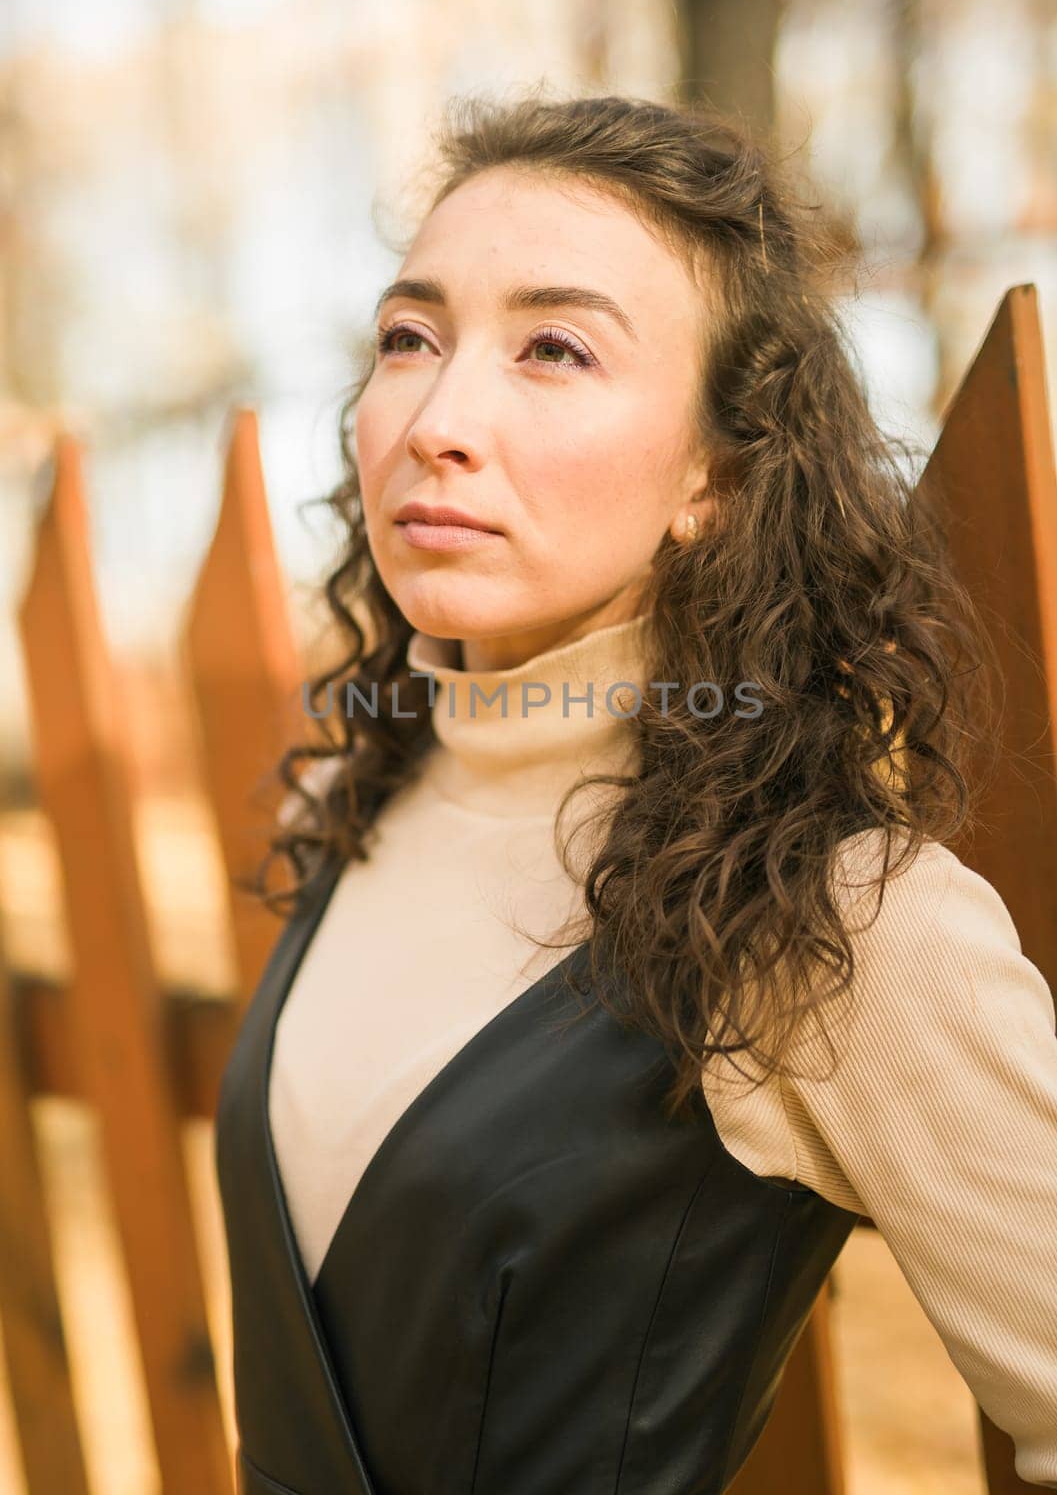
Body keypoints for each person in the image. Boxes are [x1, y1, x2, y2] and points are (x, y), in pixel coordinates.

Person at [213, 91, 1057, 1495]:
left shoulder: (831, 916)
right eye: (408, 338)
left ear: (715, 477)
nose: (437, 418)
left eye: (554, 348)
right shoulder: (370, 803)